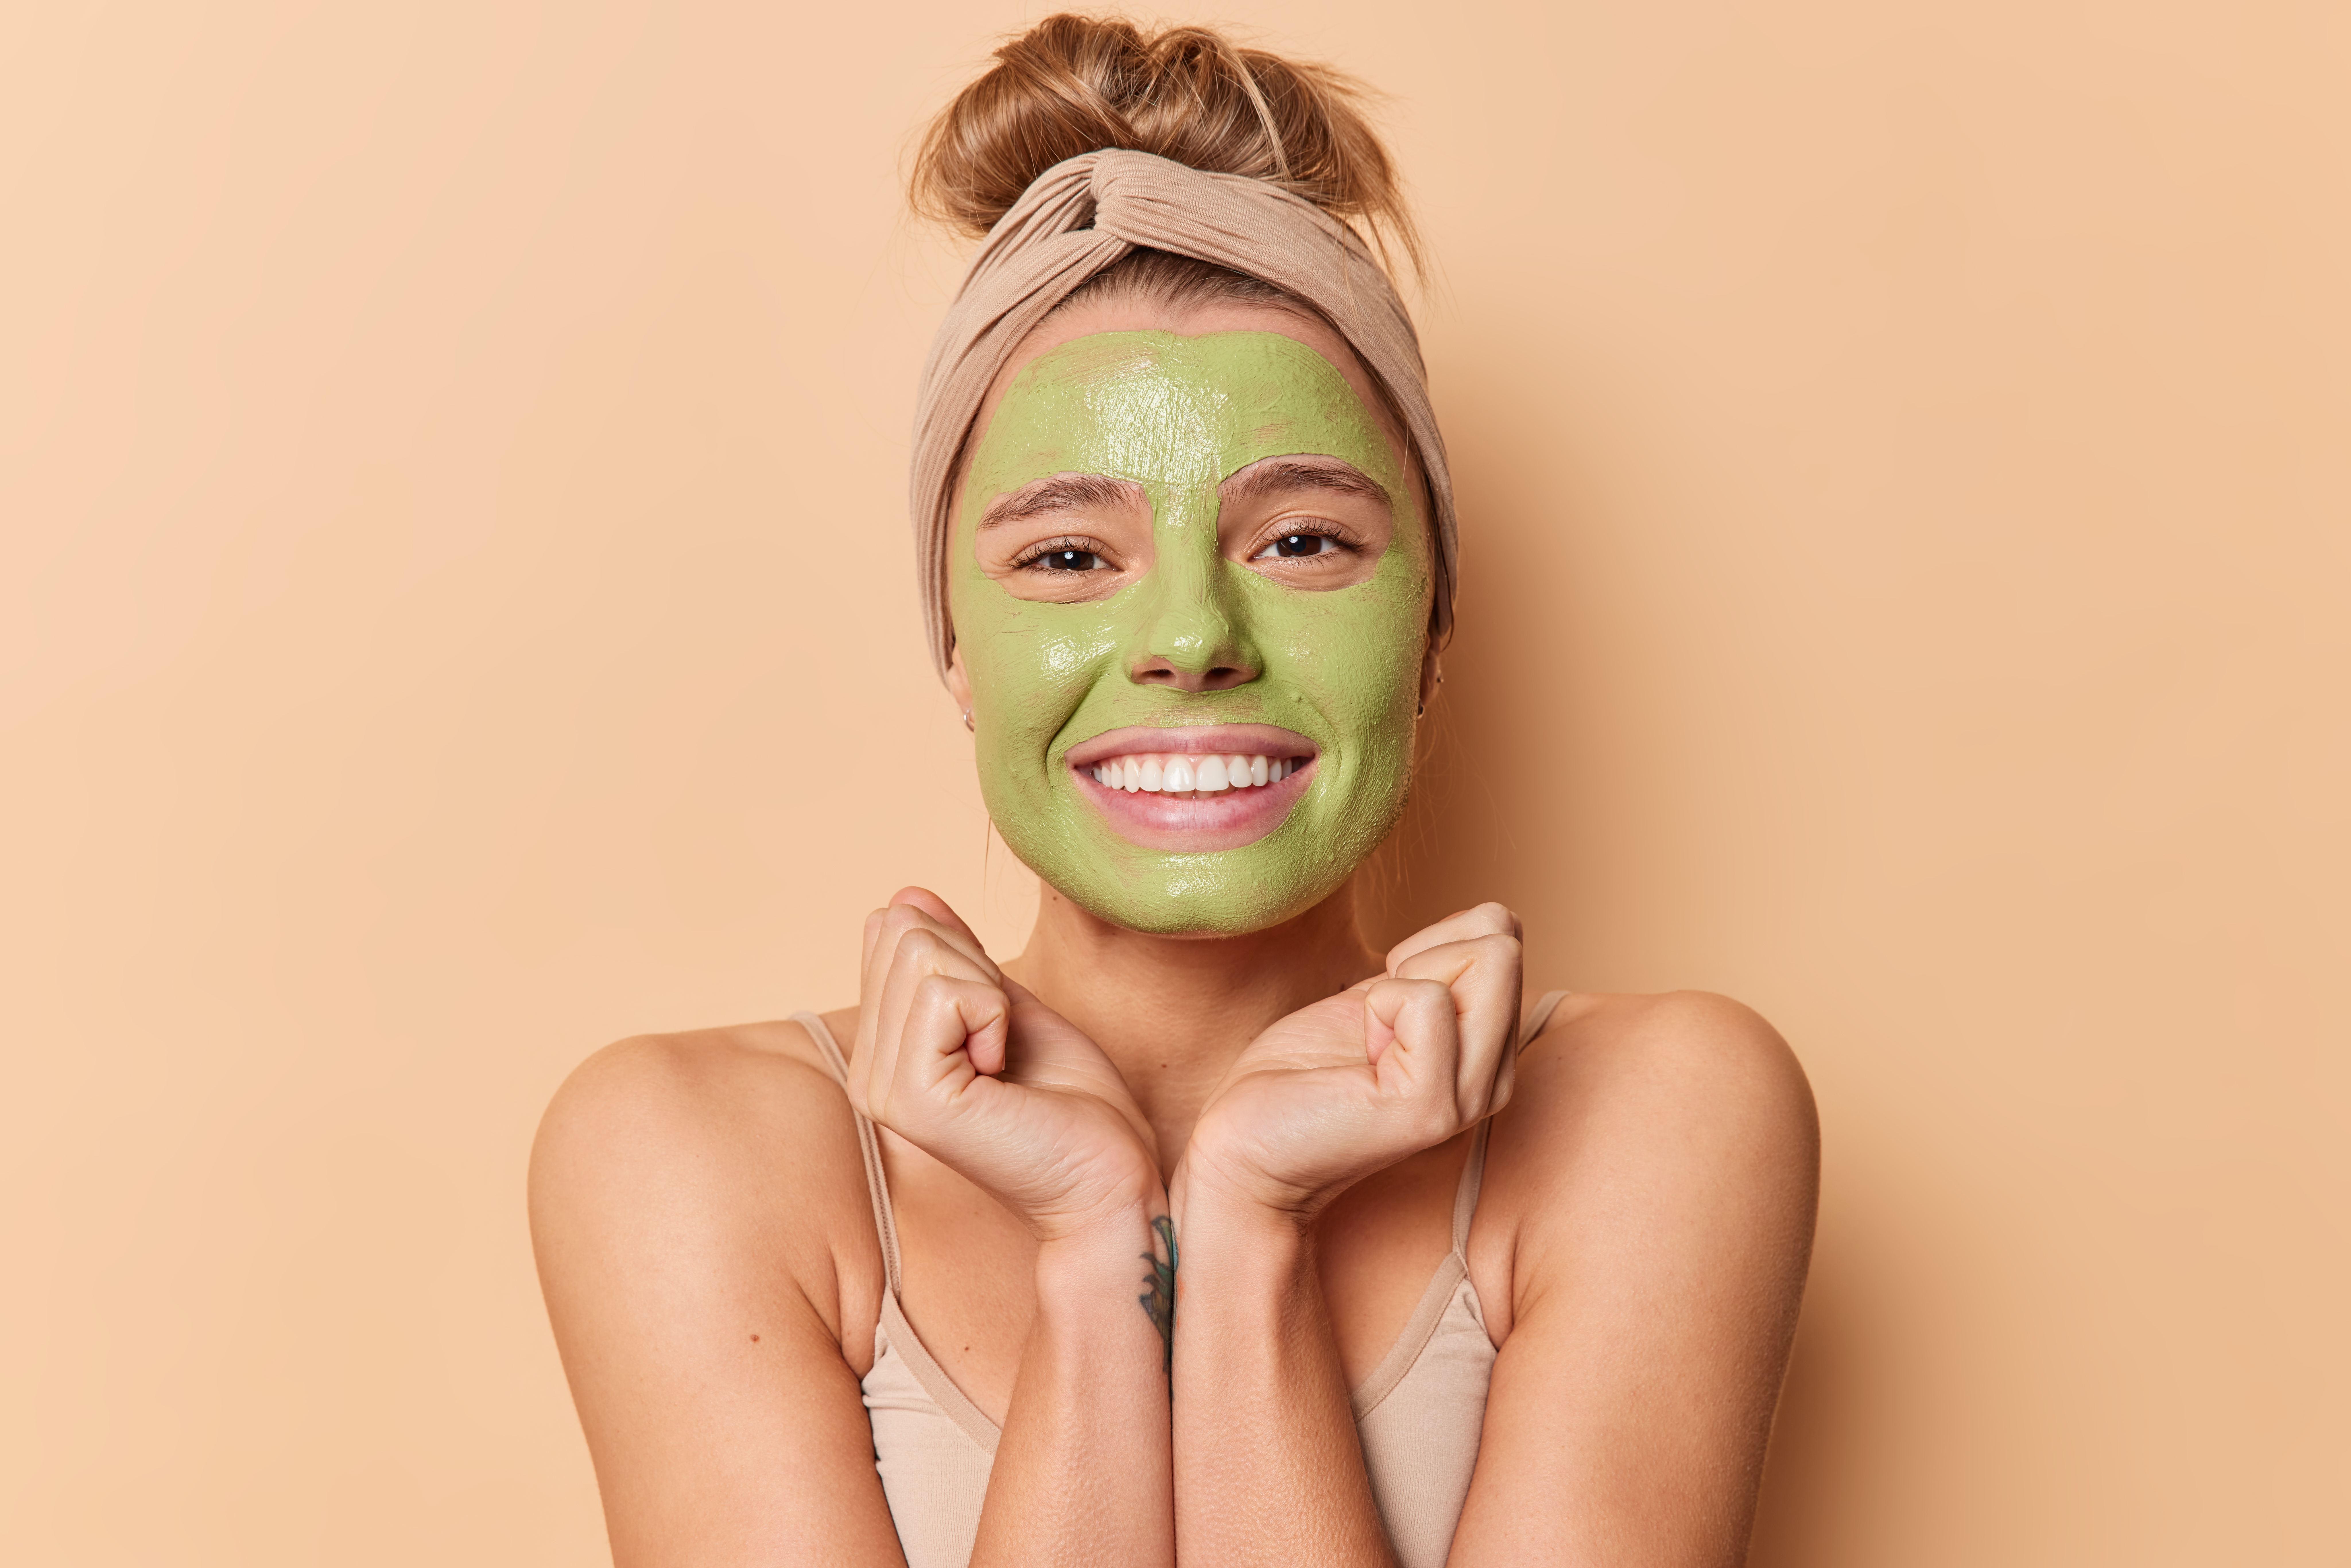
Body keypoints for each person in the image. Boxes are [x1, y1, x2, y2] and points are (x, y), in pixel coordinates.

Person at [529, 15, 1819, 1567]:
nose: (1195, 638)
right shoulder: (690, 1154)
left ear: (1432, 626)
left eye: (1304, 541)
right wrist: (1095, 1250)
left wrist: (1245, 1232)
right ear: (957, 645)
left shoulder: (1657, 1114)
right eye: (1069, 557)